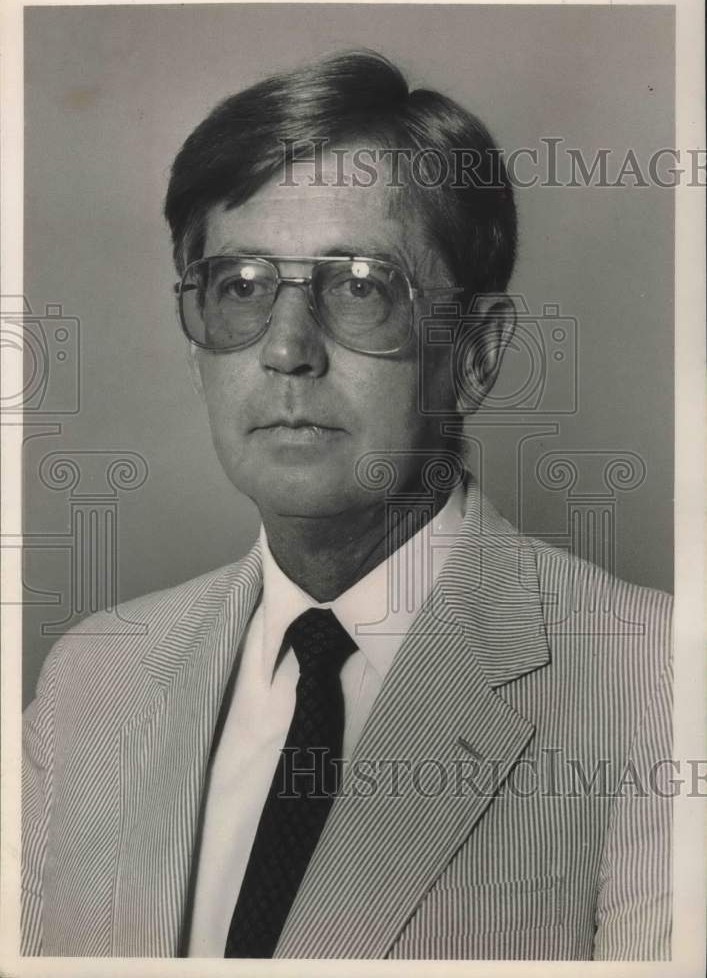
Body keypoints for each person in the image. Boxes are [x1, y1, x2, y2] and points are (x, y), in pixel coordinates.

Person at [22, 51, 672, 960]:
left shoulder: (654, 684)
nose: (287, 349)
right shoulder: (92, 682)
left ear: (475, 354)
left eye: (362, 285)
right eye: (240, 287)